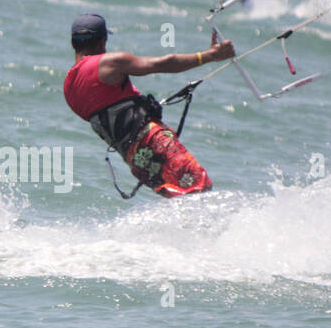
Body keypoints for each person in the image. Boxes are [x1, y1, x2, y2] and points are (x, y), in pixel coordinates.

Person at [63, 13, 233, 198]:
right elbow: (164, 63)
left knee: (181, 197)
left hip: (135, 160)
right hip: (154, 142)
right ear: (102, 41)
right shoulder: (109, 62)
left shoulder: (69, 89)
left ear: (74, 43)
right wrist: (209, 56)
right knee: (200, 189)